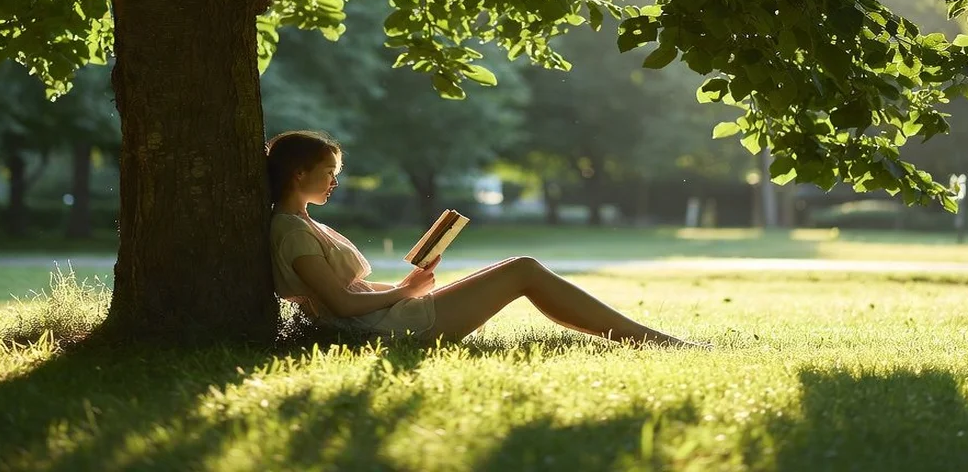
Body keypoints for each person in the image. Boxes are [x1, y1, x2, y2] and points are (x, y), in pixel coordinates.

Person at [267, 129, 706, 348]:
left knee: (513, 268)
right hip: (383, 329)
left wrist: (406, 288)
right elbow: (341, 305)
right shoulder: (291, 230)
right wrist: (402, 291)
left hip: (387, 314)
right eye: (328, 174)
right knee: (524, 269)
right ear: (298, 172)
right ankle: (650, 339)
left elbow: (350, 291)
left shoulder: (308, 224)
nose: (333, 184)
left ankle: (643, 337)